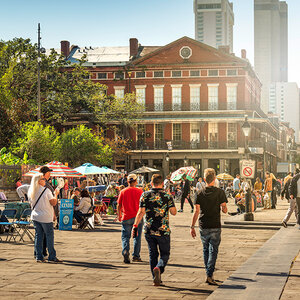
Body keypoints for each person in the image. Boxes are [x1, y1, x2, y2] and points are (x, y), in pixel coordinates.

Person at [132, 174, 177, 286]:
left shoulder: (145, 195)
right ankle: (159, 268)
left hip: (149, 229)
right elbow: (173, 212)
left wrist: (135, 225)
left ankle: (155, 278)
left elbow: (141, 212)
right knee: (165, 254)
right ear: (162, 183)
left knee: (153, 254)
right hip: (163, 230)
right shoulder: (167, 195)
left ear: (151, 183)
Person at [190, 168, 228, 285]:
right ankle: (209, 274)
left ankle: (208, 272)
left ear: (205, 179)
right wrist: (223, 207)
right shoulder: (220, 192)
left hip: (203, 225)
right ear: (215, 179)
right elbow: (225, 210)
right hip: (215, 224)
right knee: (214, 250)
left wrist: (192, 226)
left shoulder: (199, 193)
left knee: (206, 249)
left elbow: (196, 211)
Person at [29, 173, 62, 263]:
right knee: (49, 236)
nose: (45, 181)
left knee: (38, 236)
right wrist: (56, 194)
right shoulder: (46, 191)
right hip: (46, 216)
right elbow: (54, 203)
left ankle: (39, 256)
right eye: (43, 179)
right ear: (39, 181)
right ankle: (52, 256)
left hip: (35, 216)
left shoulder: (31, 191)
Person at [117, 174, 144, 263]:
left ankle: (125, 251)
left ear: (128, 182)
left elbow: (119, 204)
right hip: (138, 217)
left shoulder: (123, 191)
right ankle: (136, 256)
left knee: (125, 236)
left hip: (126, 216)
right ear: (135, 182)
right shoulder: (140, 191)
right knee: (137, 237)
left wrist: (119, 215)